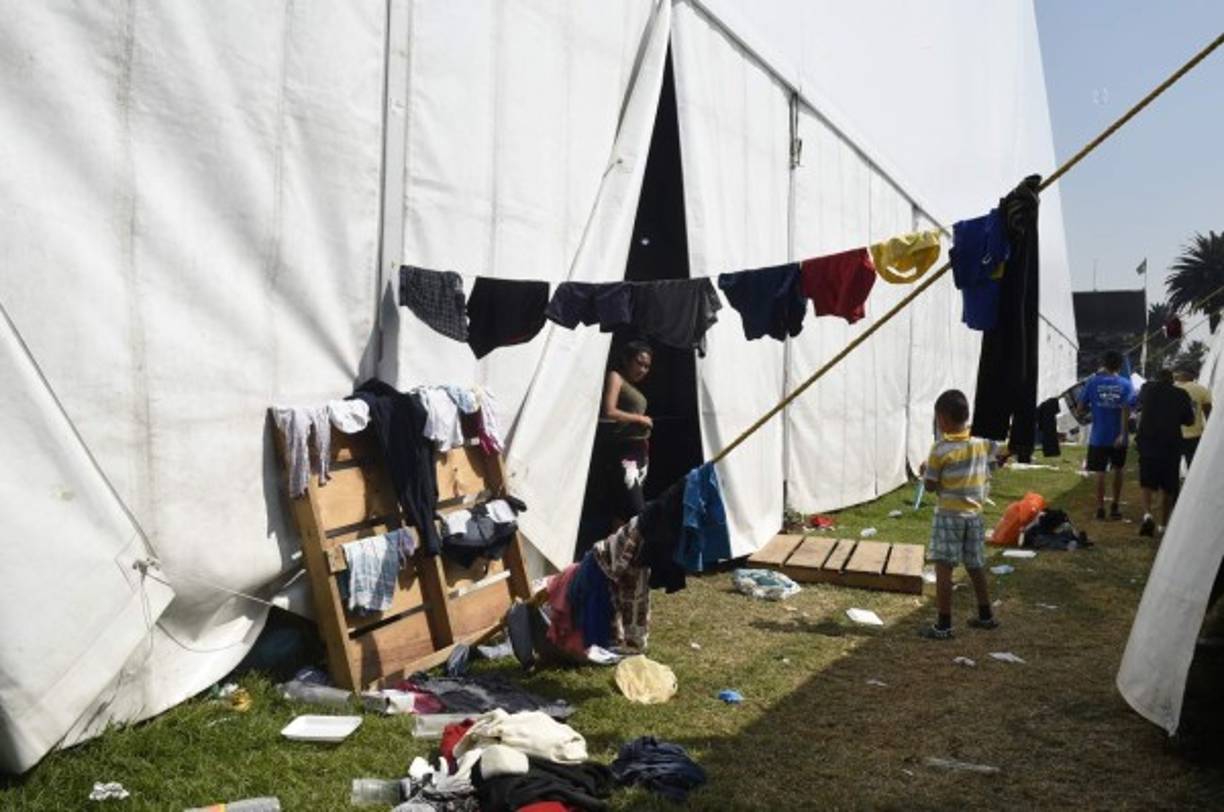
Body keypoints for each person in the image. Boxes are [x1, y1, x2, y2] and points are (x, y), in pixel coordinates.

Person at [918, 389, 1000, 640]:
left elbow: (930, 485)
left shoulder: (940, 449)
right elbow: (995, 462)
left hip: (948, 516)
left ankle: (944, 624)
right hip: (974, 516)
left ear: (941, 419)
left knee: (944, 567)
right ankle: (986, 615)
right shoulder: (982, 443)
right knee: (975, 565)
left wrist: (924, 471)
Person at [596, 340, 654, 528]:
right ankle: (638, 556)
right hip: (624, 451)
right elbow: (609, 411)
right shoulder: (616, 377)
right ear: (626, 360)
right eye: (639, 363)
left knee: (622, 510)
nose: (643, 370)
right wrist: (640, 419)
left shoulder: (634, 387)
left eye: (647, 366)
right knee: (636, 509)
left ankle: (613, 555)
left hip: (639, 453)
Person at [1135, 368, 1195, 537]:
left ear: (1156, 379)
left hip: (1148, 442)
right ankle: (1163, 525)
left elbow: (1138, 405)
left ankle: (1147, 515)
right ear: (1172, 380)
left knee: (1147, 482)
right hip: (1171, 444)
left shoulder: (1147, 389)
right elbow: (1189, 421)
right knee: (1168, 486)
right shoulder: (1181, 394)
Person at [1076, 350, 1135, 520]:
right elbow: (1127, 409)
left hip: (1098, 436)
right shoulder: (1126, 384)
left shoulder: (1093, 382)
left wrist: (1093, 409)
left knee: (1100, 472)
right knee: (1118, 470)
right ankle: (1115, 506)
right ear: (1120, 365)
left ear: (1104, 363)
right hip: (1118, 436)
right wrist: (1123, 434)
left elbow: (1080, 408)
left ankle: (1100, 508)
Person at [1174, 365, 1213, 468]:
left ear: (1181, 375)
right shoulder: (1201, 389)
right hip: (1195, 435)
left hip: (1174, 434)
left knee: (1172, 466)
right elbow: (1208, 413)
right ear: (1194, 376)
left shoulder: (1172, 389)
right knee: (1193, 466)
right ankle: (1191, 483)